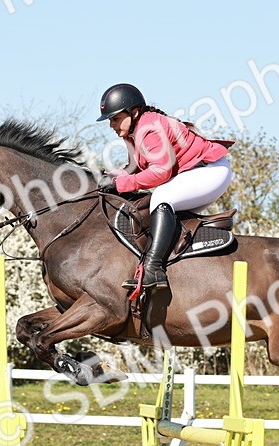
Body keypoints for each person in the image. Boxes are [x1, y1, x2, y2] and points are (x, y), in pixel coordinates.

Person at [95, 83, 234, 293]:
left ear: (133, 112)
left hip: (210, 171)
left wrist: (119, 184)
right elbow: (132, 169)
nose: (111, 125)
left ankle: (153, 269)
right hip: (194, 174)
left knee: (160, 197)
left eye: (115, 118)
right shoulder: (133, 133)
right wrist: (107, 177)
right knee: (158, 204)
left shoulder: (148, 128)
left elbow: (161, 172)